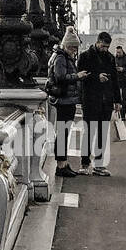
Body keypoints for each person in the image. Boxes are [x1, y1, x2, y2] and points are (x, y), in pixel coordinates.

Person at [76, 31, 120, 175]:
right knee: (89, 132)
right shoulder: (85, 56)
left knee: (102, 133)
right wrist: (97, 77)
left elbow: (115, 80)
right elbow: (80, 77)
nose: (105, 49)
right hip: (90, 99)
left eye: (107, 47)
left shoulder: (110, 58)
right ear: (98, 41)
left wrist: (117, 100)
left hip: (106, 100)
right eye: (103, 46)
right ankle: (84, 163)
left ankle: (99, 165)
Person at [45, 27, 83, 178]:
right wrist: (77, 76)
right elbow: (61, 77)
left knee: (64, 133)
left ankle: (64, 163)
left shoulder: (62, 57)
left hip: (67, 99)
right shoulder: (61, 58)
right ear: (67, 45)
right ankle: (61, 165)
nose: (75, 50)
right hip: (64, 100)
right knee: (62, 133)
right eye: (73, 47)